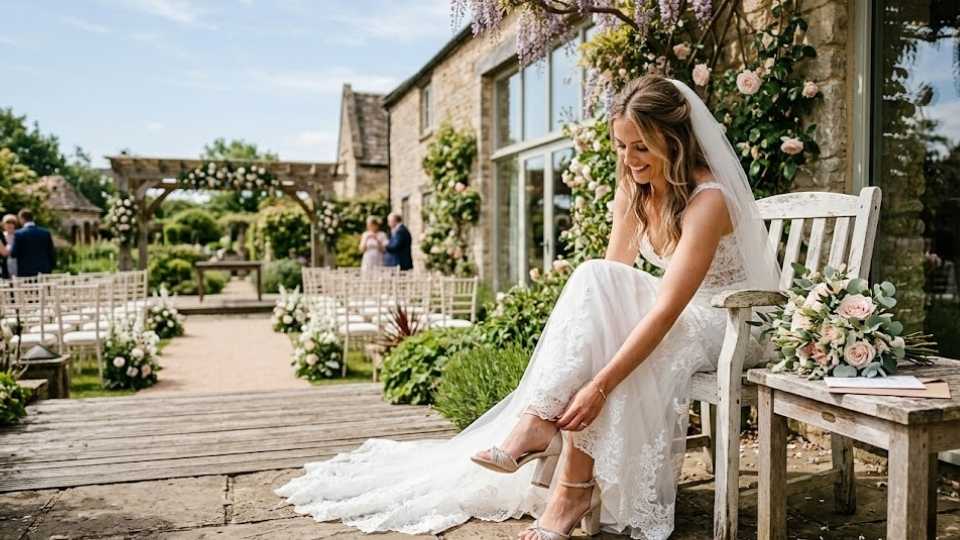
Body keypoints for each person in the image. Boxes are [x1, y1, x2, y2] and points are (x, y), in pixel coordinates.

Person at [276, 76, 779, 539]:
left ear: (676, 139)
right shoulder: (636, 187)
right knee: (594, 282)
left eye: (641, 146)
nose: (629, 160)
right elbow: (611, 274)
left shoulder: (708, 199)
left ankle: (560, 474)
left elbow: (670, 307)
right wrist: (596, 371)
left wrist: (600, 384)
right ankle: (560, 471)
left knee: (611, 348)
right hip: (680, 313)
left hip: (727, 320)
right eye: (621, 146)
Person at [10, 209, 56, 277]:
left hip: (26, 271)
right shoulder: (45, 233)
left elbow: (14, 253)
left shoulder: (18, 234)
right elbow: (51, 252)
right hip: (44, 270)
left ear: (22, 218)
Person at [0, 214, 19, 279]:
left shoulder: (19, 235)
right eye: (8, 222)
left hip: (17, 264)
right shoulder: (2, 236)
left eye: (12, 222)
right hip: (4, 265)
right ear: (3, 224)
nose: (10, 225)